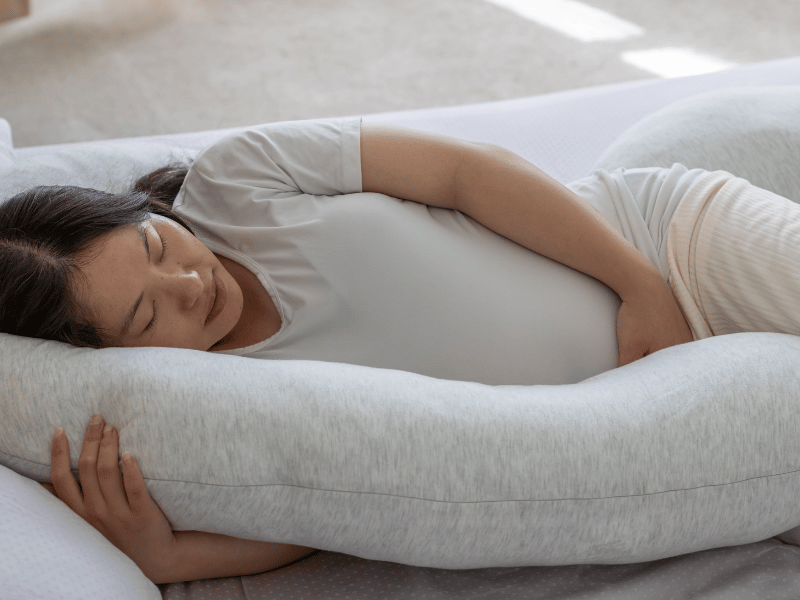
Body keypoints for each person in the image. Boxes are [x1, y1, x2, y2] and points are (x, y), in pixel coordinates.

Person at [7, 118, 795, 582]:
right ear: (118, 356)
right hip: (663, 398)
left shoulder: (237, 179)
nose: (189, 280)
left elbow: (467, 171)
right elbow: (341, 506)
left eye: (154, 242)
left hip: (668, 245)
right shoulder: (229, 391)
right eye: (149, 317)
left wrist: (641, 286)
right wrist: (174, 559)